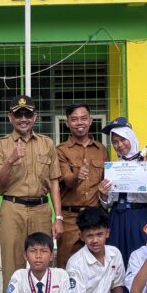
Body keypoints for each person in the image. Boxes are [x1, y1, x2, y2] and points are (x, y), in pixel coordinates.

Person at [0, 95, 63, 291]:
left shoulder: (47, 144)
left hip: (41, 209)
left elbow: (54, 182)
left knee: (43, 262)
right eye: (18, 114)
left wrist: (58, 217)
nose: (23, 119)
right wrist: (11, 160)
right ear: (10, 118)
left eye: (27, 114)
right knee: (12, 266)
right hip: (13, 209)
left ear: (35, 117)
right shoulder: (1, 145)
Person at [98, 117, 147, 265]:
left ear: (131, 137)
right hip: (117, 217)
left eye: (123, 139)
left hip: (140, 216)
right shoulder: (114, 166)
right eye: (115, 142)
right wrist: (104, 195)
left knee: (142, 257)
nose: (119, 145)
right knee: (117, 258)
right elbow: (109, 203)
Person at [56, 103, 108, 267]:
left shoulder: (102, 150)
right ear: (67, 123)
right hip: (70, 219)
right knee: (66, 265)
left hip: (95, 217)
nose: (80, 123)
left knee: (96, 265)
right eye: (74, 119)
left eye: (84, 118)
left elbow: (107, 182)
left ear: (90, 120)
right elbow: (68, 181)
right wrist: (77, 176)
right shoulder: (60, 151)